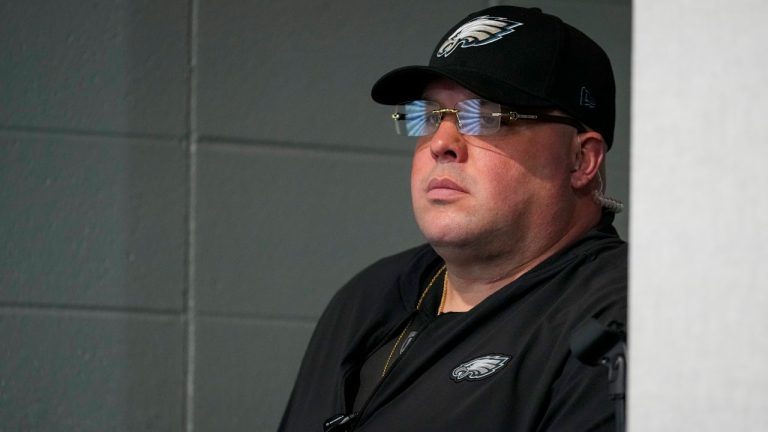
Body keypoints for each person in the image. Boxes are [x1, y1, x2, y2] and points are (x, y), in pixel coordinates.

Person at [279, 5, 626, 432]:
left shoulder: (621, 316)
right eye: (428, 116)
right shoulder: (367, 297)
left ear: (580, 159)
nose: (441, 142)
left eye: (486, 116)